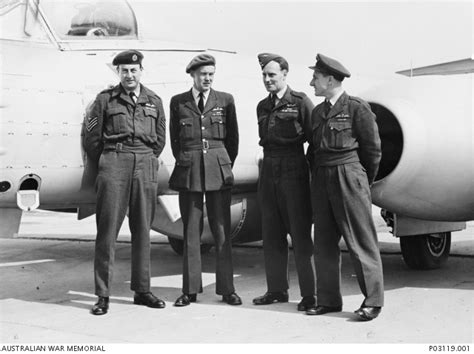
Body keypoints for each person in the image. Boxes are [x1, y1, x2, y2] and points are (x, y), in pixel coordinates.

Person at [82, 50, 166, 315]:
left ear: (141, 70)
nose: (129, 75)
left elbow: (161, 138)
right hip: (114, 162)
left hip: (144, 163)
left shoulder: (154, 100)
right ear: (117, 73)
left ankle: (142, 291)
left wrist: (146, 158)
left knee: (143, 228)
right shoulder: (105, 99)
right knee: (107, 231)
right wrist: (110, 159)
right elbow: (92, 137)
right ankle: (102, 295)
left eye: (133, 70)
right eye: (124, 71)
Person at [307, 53, 384, 321]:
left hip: (348, 176)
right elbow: (312, 150)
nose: (311, 83)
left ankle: (373, 301)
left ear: (329, 79)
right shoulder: (318, 112)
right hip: (322, 177)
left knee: (360, 240)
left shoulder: (356, 108)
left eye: (315, 78)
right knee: (324, 243)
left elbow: (372, 151)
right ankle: (328, 300)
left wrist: (361, 181)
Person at [169, 54, 241, 307]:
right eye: (202, 74)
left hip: (218, 172)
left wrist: (220, 162)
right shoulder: (178, 102)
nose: (207, 78)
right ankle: (189, 290)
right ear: (192, 75)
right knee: (190, 232)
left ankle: (227, 289)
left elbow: (233, 140)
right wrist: (189, 158)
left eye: (211, 74)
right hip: (189, 171)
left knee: (222, 231)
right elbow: (175, 141)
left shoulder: (225, 100)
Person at [252, 53, 316, 312]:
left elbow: (314, 139)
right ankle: (276, 290)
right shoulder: (262, 106)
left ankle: (310, 295)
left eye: (272, 75)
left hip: (293, 170)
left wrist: (305, 171)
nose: (267, 80)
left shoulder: (300, 102)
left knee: (300, 236)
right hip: (268, 170)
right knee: (271, 234)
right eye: (264, 75)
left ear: (285, 74)